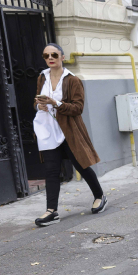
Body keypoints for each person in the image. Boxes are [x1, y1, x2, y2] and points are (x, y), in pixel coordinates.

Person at [33, 43, 107, 226]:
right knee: (51, 170)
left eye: (54, 55)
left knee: (81, 165)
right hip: (48, 130)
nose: (50, 58)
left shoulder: (72, 80)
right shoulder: (42, 77)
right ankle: (52, 211)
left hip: (69, 130)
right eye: (46, 55)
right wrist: (38, 105)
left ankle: (100, 196)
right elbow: (36, 100)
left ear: (62, 57)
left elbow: (78, 108)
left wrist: (56, 103)